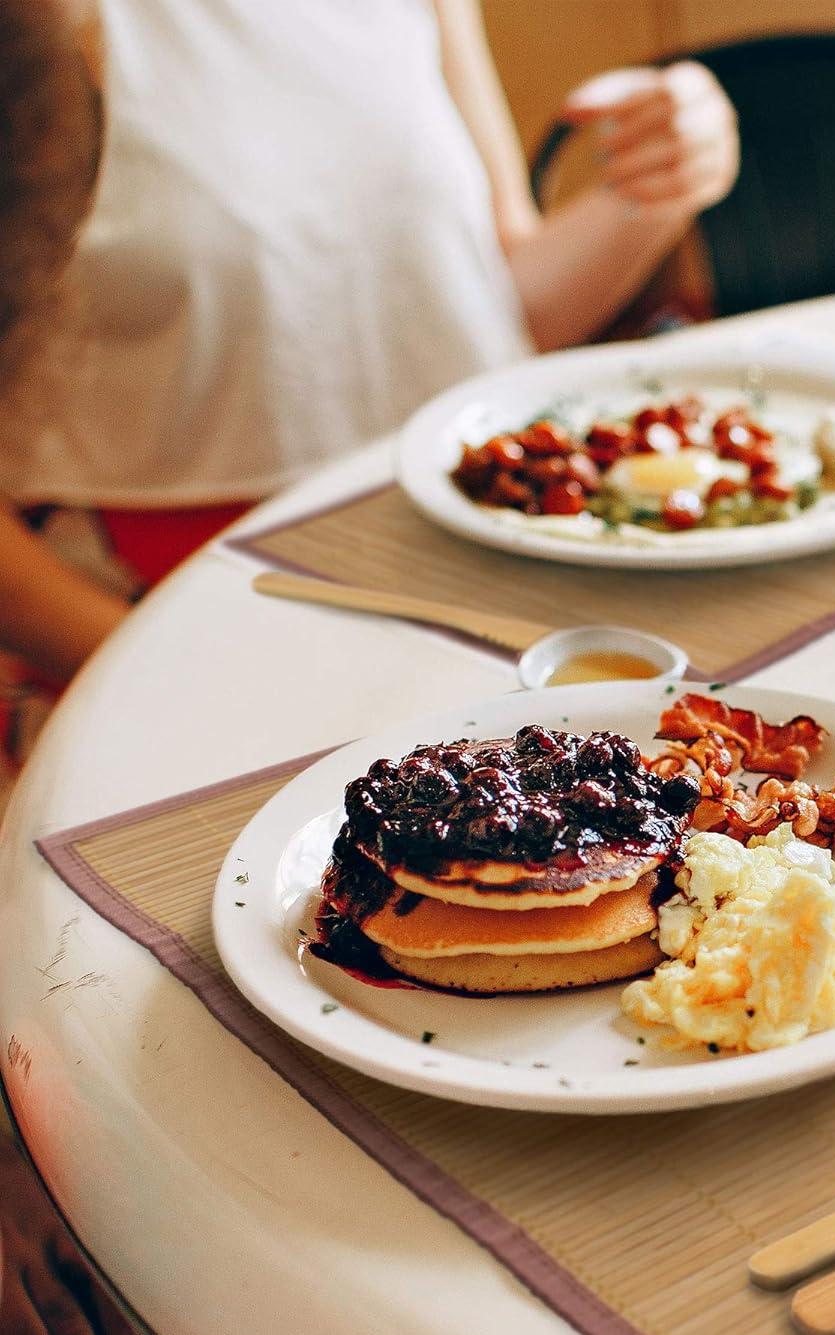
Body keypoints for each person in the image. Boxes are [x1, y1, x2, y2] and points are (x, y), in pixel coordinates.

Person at [0, 0, 738, 792]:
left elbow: (492, 305)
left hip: (456, 587)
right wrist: (157, 664)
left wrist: (658, 190)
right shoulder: (39, 28)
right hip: (152, 623)